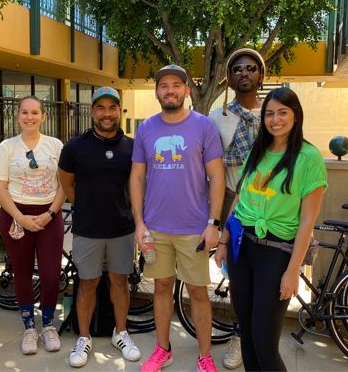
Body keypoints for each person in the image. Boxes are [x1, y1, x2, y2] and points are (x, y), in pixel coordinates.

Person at [213, 87, 327, 371]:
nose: (275, 120)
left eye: (282, 113)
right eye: (269, 114)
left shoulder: (309, 158)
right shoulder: (258, 150)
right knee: (248, 334)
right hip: (243, 248)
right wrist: (225, 241)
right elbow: (241, 199)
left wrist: (292, 270)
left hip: (277, 254)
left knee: (264, 341)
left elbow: (306, 222)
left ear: (296, 115)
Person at [130, 65, 225, 372]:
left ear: (186, 90)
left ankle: (205, 355)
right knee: (160, 287)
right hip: (155, 228)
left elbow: (217, 177)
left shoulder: (204, 126)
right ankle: (162, 350)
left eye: (175, 85)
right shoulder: (146, 128)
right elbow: (136, 177)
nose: (169, 91)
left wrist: (214, 223)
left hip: (194, 229)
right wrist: (139, 223)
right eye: (163, 86)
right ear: (157, 91)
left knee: (197, 291)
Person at [58, 86, 141, 368]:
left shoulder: (132, 146)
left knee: (120, 282)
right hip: (88, 229)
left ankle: (122, 333)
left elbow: (137, 186)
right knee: (88, 284)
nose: (107, 114)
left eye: (112, 108)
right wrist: (86, 205)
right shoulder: (75, 147)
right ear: (93, 112)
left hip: (122, 228)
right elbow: (67, 184)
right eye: (101, 108)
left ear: (120, 111)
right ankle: (84, 338)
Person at [0, 96, 65, 355]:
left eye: (35, 112)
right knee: (21, 272)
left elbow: (65, 184)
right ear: (18, 115)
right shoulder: (7, 147)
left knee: (50, 275)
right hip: (16, 215)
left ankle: (47, 325)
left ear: (43, 116)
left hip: (49, 216)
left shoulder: (55, 145)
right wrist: (20, 217)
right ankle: (29, 327)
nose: (29, 117)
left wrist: (50, 214)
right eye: (24, 112)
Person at [208, 48, 265, 370]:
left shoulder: (273, 112)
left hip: (268, 203)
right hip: (232, 202)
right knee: (237, 275)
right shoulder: (218, 117)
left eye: (251, 68)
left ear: (261, 75)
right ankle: (240, 337)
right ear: (229, 78)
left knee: (264, 274)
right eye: (237, 69)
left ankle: (259, 337)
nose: (244, 73)